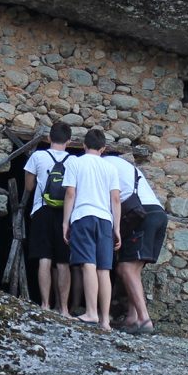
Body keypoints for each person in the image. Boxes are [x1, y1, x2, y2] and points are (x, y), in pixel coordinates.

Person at [62, 128, 121, 331]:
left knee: (88, 264)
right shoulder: (110, 168)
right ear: (103, 148)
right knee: (104, 269)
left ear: (84, 145)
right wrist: (117, 228)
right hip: (105, 220)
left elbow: (70, 193)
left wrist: (65, 222)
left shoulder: (74, 162)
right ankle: (105, 321)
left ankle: (91, 312)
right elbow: (115, 199)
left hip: (83, 216)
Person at [104, 149, 168, 334]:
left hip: (141, 215)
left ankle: (144, 319)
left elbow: (113, 198)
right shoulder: (127, 167)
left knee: (125, 268)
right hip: (158, 214)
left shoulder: (104, 165)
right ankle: (132, 317)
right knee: (134, 269)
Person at [22, 122, 73, 316]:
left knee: (44, 257)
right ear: (69, 141)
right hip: (65, 213)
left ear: (49, 138)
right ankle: (65, 309)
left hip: (42, 210)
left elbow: (28, 187)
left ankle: (44, 304)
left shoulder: (38, 156)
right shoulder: (73, 161)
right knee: (63, 261)